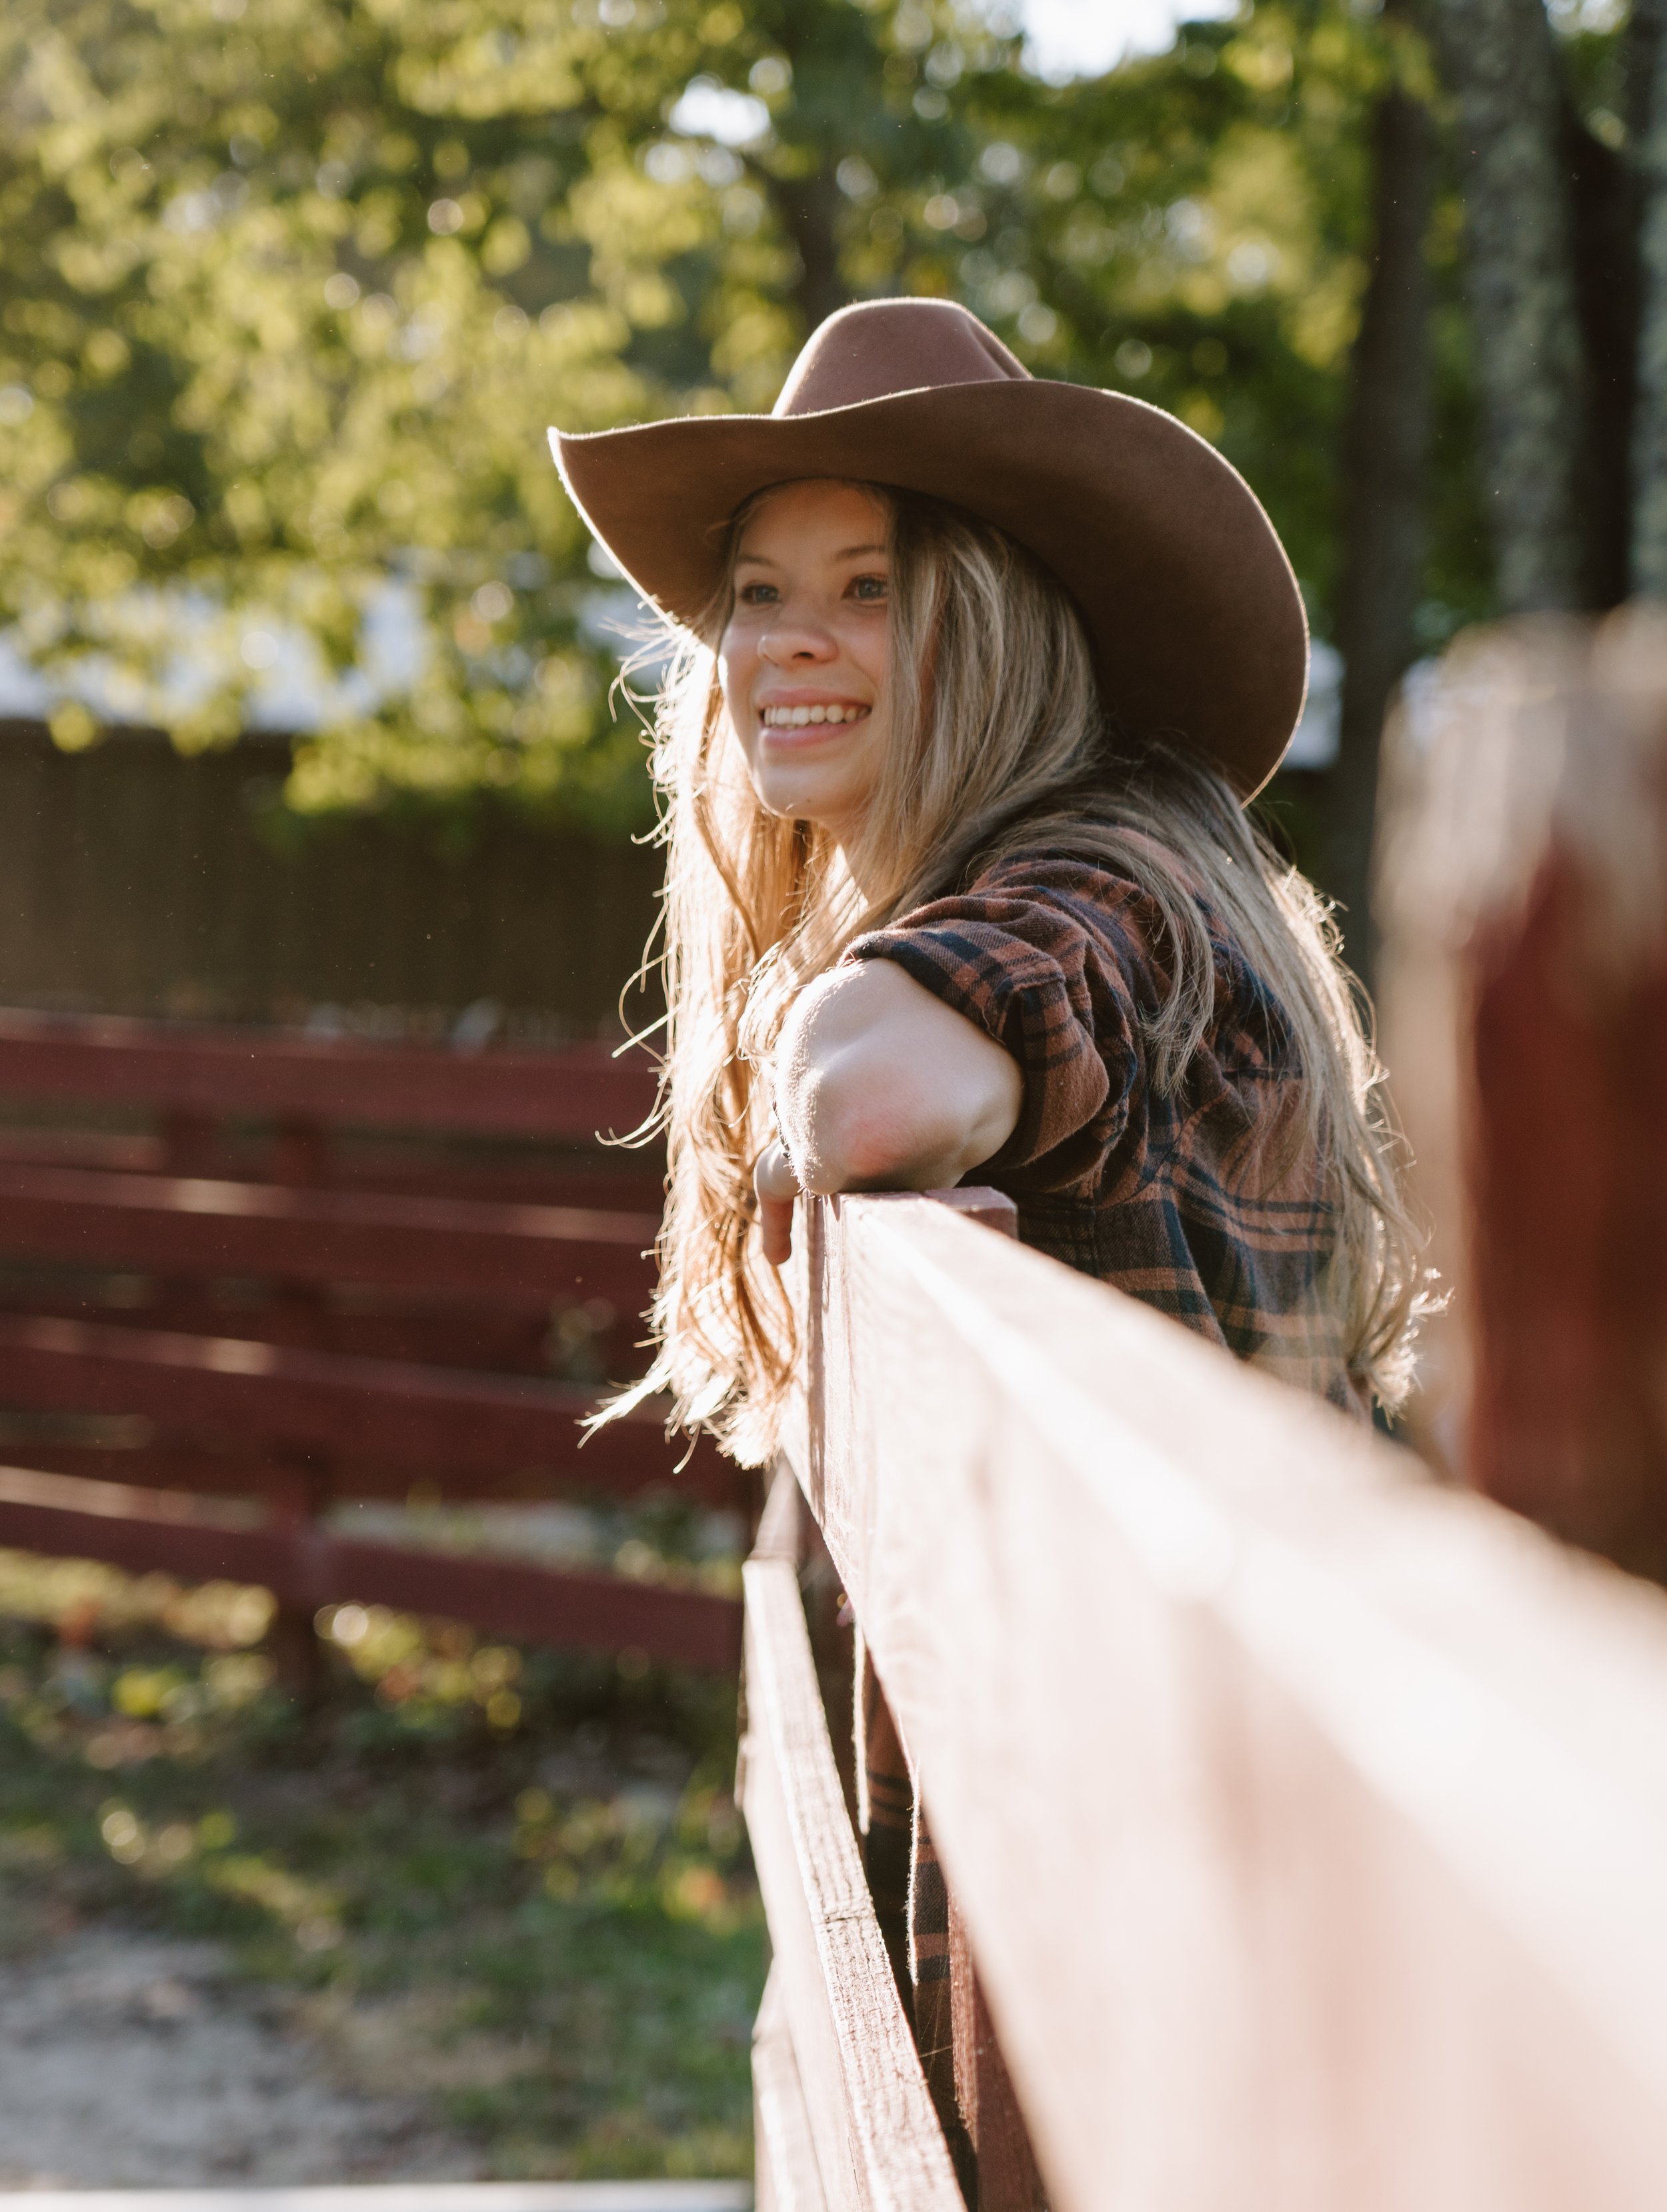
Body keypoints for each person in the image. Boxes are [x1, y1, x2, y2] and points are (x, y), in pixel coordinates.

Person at [551, 295, 1423, 2157]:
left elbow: (871, 1089)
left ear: (997, 615)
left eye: (866, 587)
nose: (791, 641)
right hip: (1168, 1879)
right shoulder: (1083, 862)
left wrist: (820, 1074)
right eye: (762, 592)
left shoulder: (1109, 867)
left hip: (1205, 1934)